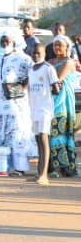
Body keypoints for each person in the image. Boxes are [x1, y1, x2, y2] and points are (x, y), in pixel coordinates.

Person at [0, 32, 35, 175]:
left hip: (15, 106)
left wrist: (21, 88)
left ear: (15, 42)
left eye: (7, 40)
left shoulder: (23, 58)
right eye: (2, 40)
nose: (4, 43)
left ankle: (20, 168)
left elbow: (33, 73)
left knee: (16, 135)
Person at [28, 43, 59, 185]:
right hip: (33, 108)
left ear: (44, 54)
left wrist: (50, 91)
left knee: (43, 138)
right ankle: (39, 172)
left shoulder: (48, 68)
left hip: (44, 109)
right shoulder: (31, 69)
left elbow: (56, 87)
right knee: (38, 140)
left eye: (38, 53)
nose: (36, 56)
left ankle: (44, 175)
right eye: (34, 53)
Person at [47, 35, 77, 179]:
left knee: (60, 132)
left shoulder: (69, 62)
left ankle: (65, 167)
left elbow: (56, 79)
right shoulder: (50, 62)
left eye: (60, 45)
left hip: (63, 102)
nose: (57, 48)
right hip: (50, 101)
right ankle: (54, 166)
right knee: (52, 133)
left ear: (67, 47)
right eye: (55, 45)